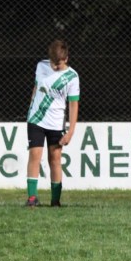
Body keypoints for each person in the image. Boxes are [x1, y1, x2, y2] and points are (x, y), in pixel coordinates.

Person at [24, 39, 79, 207]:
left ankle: (55, 200)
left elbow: (73, 104)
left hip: (56, 123)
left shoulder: (72, 77)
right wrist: (30, 108)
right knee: (35, 155)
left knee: (55, 158)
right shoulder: (41, 66)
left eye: (59, 64)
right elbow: (36, 88)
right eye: (53, 63)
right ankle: (32, 198)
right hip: (36, 119)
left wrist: (70, 131)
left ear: (66, 58)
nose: (55, 67)